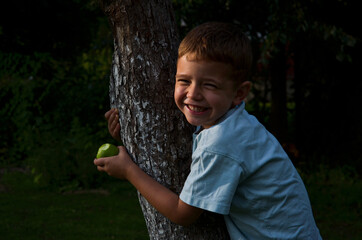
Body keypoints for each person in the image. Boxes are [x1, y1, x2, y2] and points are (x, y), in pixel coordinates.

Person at [94, 22, 322, 239]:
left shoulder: (222, 143)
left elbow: (181, 214)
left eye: (209, 85)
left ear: (239, 93)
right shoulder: (238, 124)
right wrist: (131, 137)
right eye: (184, 80)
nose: (193, 94)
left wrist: (129, 170)